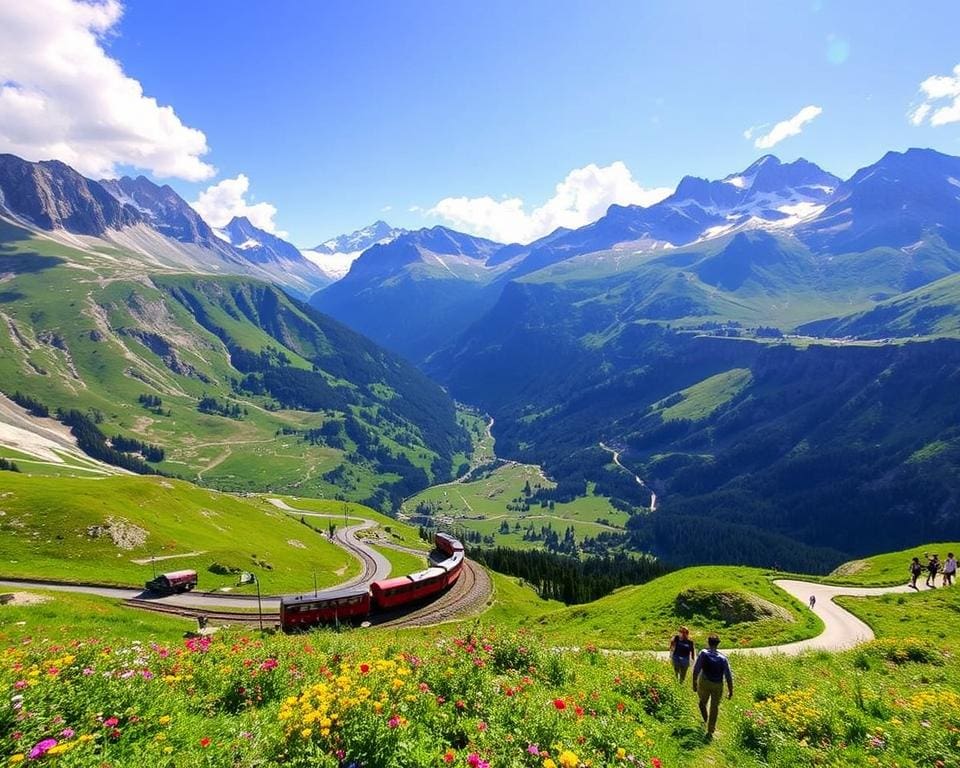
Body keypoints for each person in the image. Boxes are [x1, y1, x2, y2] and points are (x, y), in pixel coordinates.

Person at [692, 634, 733, 738]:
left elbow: (696, 668)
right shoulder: (723, 658)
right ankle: (710, 730)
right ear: (718, 644)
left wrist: (694, 682)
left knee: (702, 703)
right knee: (714, 707)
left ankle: (705, 720)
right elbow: (728, 675)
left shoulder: (703, 653)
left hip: (704, 681)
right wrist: (730, 690)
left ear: (708, 642)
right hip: (718, 684)